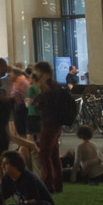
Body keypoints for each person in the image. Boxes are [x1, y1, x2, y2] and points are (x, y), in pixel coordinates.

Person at [32, 62, 73, 192]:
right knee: (54, 154)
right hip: (55, 124)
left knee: (45, 155)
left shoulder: (49, 86)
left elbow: (42, 104)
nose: (35, 75)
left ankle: (48, 185)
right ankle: (57, 183)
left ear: (42, 73)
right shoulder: (55, 85)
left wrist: (38, 98)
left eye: (37, 72)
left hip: (49, 123)